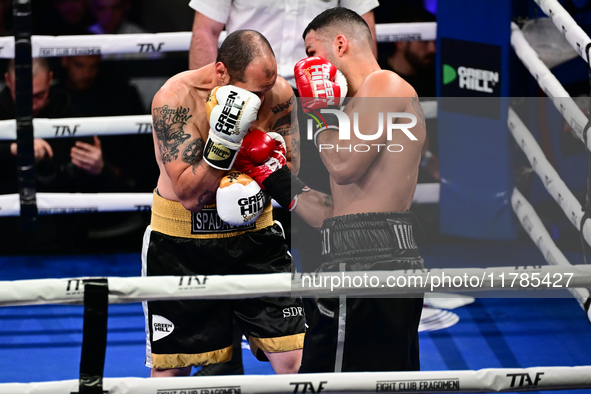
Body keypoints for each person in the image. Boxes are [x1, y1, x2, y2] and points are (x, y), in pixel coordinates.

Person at [233, 7, 426, 372]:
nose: (307, 65)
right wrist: (271, 174)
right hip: (363, 256)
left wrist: (319, 109)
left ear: (340, 43)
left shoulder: (385, 85)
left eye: (311, 53)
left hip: (368, 268)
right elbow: (336, 217)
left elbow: (344, 166)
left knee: (323, 382)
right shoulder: (354, 108)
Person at [143, 29, 304, 377]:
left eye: (267, 89)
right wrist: (225, 144)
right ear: (221, 72)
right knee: (173, 370)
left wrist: (258, 167)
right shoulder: (174, 98)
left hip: (256, 237)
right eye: (254, 92)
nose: (261, 101)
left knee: (293, 361)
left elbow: (292, 166)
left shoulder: (278, 93)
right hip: (184, 244)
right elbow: (188, 195)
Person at [0, 58, 118, 254]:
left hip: (59, 236)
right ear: (8, 81)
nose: (31, 105)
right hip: (5, 235)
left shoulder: (70, 116)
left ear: (50, 79)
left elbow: (104, 191)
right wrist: (12, 150)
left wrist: (99, 169)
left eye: (39, 95)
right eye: (22, 96)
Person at [188, 0, 379, 83]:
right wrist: (209, 98)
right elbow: (205, 32)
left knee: (324, 164)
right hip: (245, 85)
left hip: (320, 88)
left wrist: (361, 99)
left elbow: (362, 32)